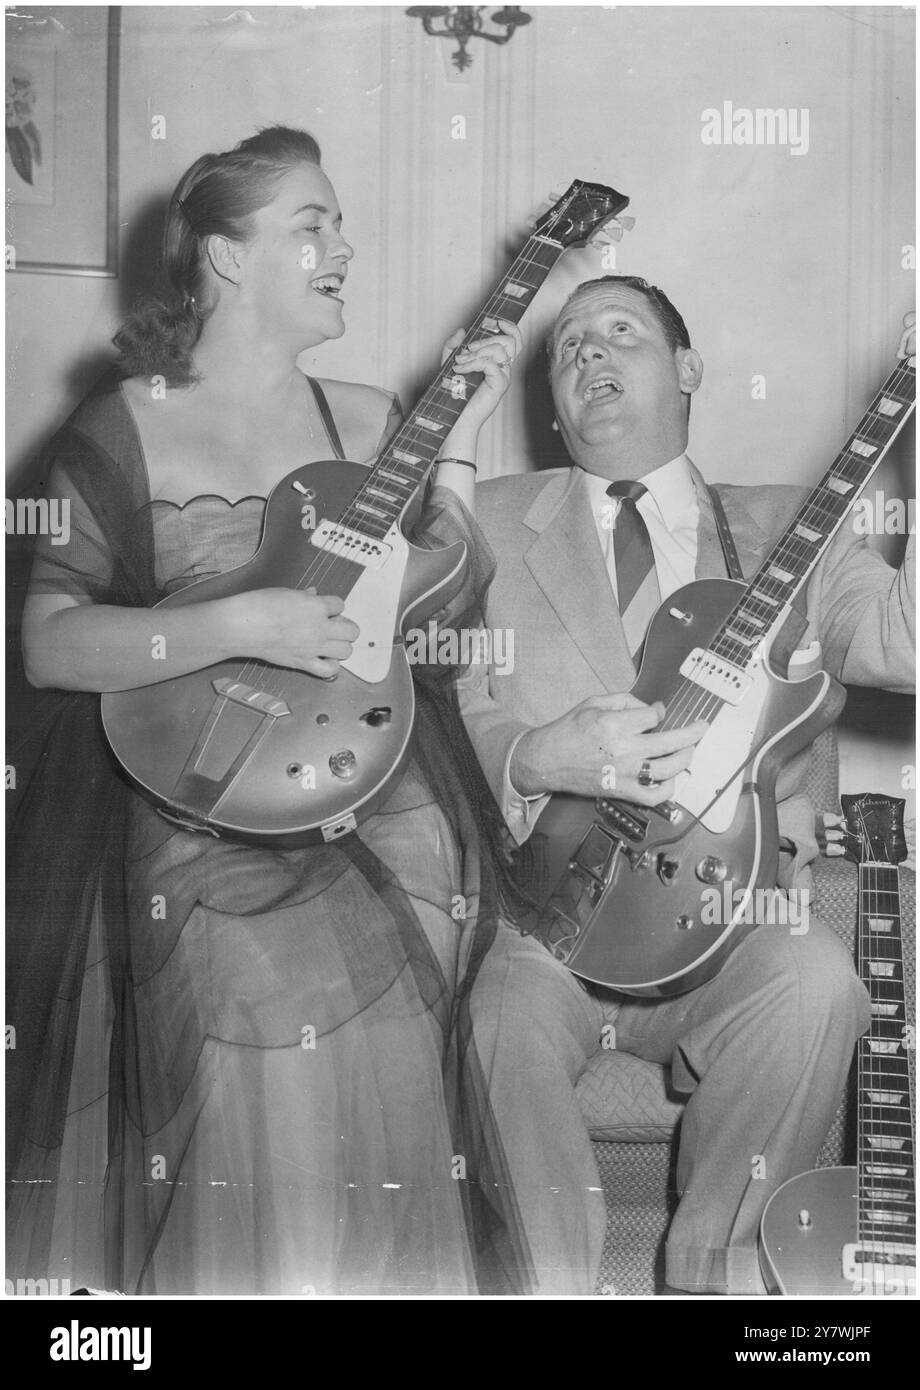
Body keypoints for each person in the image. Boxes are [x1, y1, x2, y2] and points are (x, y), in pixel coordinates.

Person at [6, 124, 543, 1297]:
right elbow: (46, 644)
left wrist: (455, 439)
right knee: (247, 991)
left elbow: (434, 601)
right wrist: (234, 624)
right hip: (187, 790)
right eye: (314, 224)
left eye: (341, 224)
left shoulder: (366, 417)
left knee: (416, 979)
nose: (344, 246)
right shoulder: (122, 428)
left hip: (362, 789)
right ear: (226, 258)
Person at [460, 275, 915, 1294]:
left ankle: (718, 1285)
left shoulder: (790, 527)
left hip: (725, 913)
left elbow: (903, 643)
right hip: (537, 924)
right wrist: (535, 755)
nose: (586, 354)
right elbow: (428, 696)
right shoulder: (482, 520)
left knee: (813, 982)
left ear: (686, 369)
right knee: (487, 1021)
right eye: (565, 347)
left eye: (618, 332)